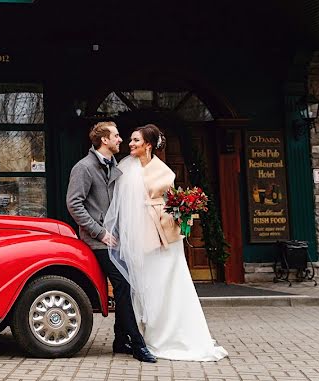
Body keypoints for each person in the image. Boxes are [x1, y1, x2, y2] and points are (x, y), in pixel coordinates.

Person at [105, 124, 228, 361]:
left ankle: (172, 335)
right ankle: (148, 334)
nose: (131, 144)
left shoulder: (163, 171)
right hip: (137, 235)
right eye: (130, 140)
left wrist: (183, 210)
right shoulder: (123, 169)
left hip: (163, 234)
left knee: (168, 283)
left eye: (136, 140)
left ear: (148, 145)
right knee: (145, 285)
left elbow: (170, 200)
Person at [67, 122, 157, 363]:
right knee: (124, 284)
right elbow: (74, 204)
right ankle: (138, 344)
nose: (121, 140)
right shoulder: (83, 167)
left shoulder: (115, 165)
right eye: (116, 136)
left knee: (124, 286)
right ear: (104, 140)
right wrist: (99, 232)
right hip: (98, 242)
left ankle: (120, 340)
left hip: (116, 239)